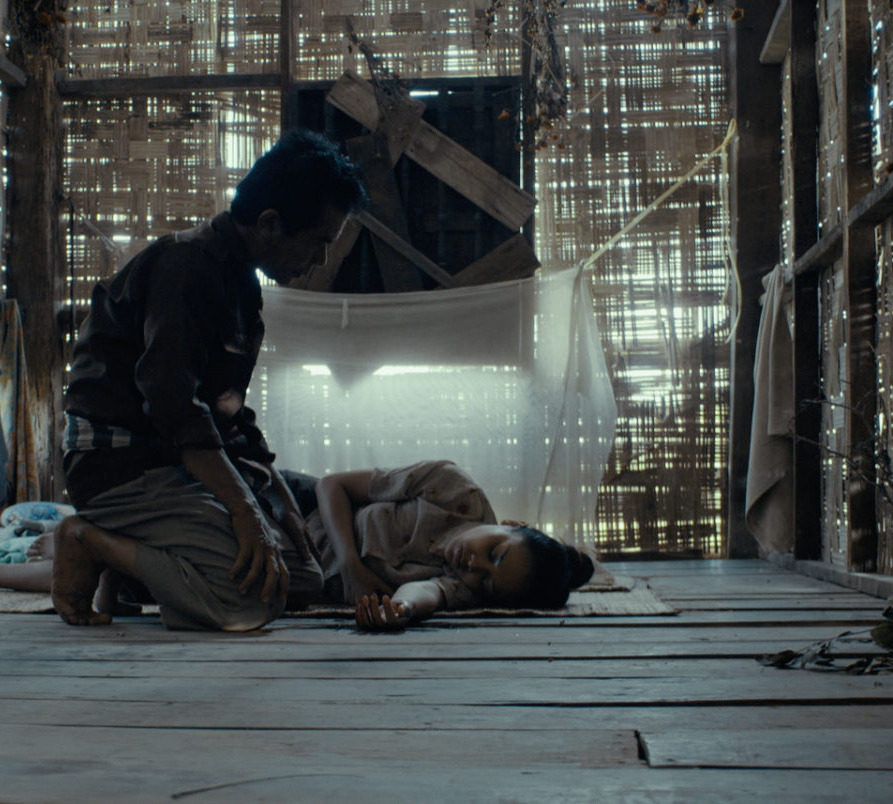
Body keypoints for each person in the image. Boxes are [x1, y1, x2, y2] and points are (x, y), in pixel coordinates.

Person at [51, 130, 367, 631]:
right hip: (121, 467)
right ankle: (87, 540)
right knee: (249, 603)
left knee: (301, 577)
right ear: (269, 224)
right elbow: (175, 407)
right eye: (318, 243)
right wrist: (244, 511)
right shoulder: (186, 267)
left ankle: (128, 568)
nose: (322, 261)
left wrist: (280, 504)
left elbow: (227, 414)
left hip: (175, 467)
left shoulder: (240, 288)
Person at [303, 460, 597, 632]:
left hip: (303, 569)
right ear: (513, 524)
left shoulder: (468, 589)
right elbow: (330, 485)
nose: (474, 567)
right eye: (494, 552)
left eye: (487, 583)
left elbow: (427, 593)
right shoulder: (451, 488)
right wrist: (351, 566)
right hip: (306, 510)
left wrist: (401, 608)